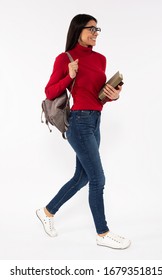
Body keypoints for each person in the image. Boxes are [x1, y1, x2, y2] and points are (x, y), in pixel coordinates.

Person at [36, 14, 131, 250]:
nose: (95, 33)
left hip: (95, 119)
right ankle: (102, 233)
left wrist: (113, 95)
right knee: (98, 178)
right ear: (78, 30)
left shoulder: (101, 59)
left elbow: (95, 97)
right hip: (79, 123)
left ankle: (47, 212)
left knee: (83, 177)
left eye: (97, 29)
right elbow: (49, 92)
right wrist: (69, 75)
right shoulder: (65, 58)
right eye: (91, 28)